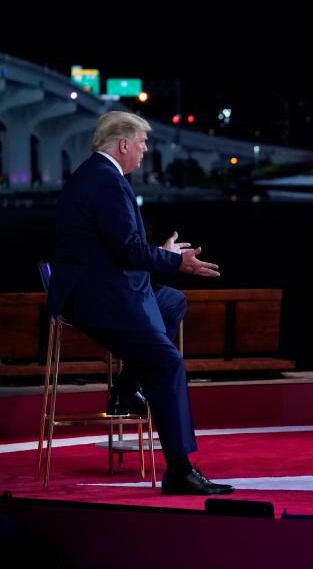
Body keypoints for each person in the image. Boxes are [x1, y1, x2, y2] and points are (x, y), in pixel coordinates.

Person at [48, 111, 234, 495]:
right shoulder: (107, 183)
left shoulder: (97, 176)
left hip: (101, 286)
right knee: (166, 360)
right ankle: (179, 470)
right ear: (122, 144)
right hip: (99, 298)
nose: (145, 150)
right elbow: (128, 250)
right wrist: (175, 261)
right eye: (142, 143)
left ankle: (125, 388)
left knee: (172, 302)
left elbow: (118, 247)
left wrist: (162, 255)